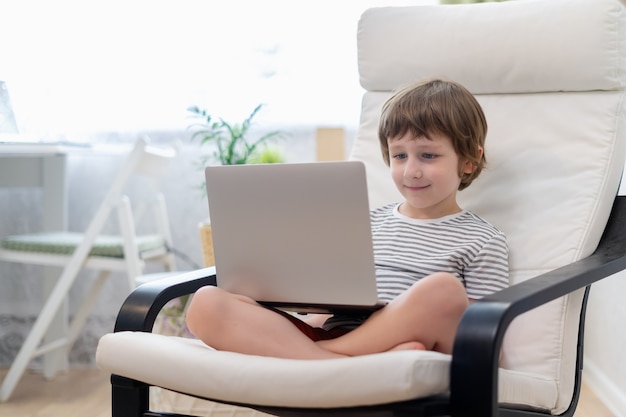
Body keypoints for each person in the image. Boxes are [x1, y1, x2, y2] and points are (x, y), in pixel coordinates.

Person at [185, 78, 509, 359]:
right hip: (338, 334)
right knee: (206, 302)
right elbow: (324, 305)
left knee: (443, 291)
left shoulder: (482, 239)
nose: (411, 170)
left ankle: (312, 359)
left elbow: (484, 334)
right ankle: (331, 363)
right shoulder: (362, 223)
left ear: (468, 160)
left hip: (409, 340)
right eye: (399, 156)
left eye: (428, 155)